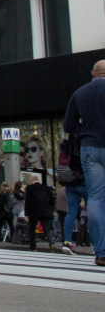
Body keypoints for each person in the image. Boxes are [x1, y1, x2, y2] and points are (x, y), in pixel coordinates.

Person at [63, 60, 105, 266]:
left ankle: (101, 252)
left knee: (96, 198)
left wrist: (84, 131)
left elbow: (68, 125)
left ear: (92, 73)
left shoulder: (80, 93)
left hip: (90, 148)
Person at [24, 175, 55, 252]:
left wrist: (26, 214)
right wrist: (51, 210)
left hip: (33, 211)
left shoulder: (29, 188)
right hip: (45, 211)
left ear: (31, 180)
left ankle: (33, 247)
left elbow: (28, 202)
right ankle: (52, 243)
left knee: (32, 229)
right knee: (46, 229)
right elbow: (52, 201)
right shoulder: (47, 188)